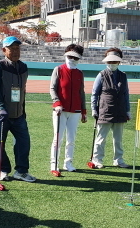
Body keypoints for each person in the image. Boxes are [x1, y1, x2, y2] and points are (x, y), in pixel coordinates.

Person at [0, 36, 36, 182]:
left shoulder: (23, 67)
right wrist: (2, 108)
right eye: (12, 48)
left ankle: (21, 171)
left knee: (24, 142)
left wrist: (23, 109)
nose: (15, 51)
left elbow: (22, 91)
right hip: (0, 114)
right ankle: (3, 170)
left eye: (18, 48)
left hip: (18, 114)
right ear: (4, 50)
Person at [49, 44, 87, 173]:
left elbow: (81, 93)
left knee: (71, 139)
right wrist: (57, 102)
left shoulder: (80, 73)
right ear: (66, 55)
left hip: (75, 111)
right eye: (70, 56)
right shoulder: (58, 70)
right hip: (60, 111)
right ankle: (54, 164)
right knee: (58, 138)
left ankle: (68, 162)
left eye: (75, 58)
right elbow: (52, 88)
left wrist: (84, 111)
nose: (72, 59)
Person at [90, 48, 131, 169]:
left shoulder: (123, 76)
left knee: (118, 139)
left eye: (115, 62)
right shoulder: (101, 75)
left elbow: (126, 94)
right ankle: (97, 159)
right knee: (101, 139)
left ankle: (118, 159)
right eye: (110, 62)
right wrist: (94, 109)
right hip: (104, 111)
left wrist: (128, 110)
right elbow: (94, 93)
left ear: (119, 62)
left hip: (120, 111)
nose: (112, 64)